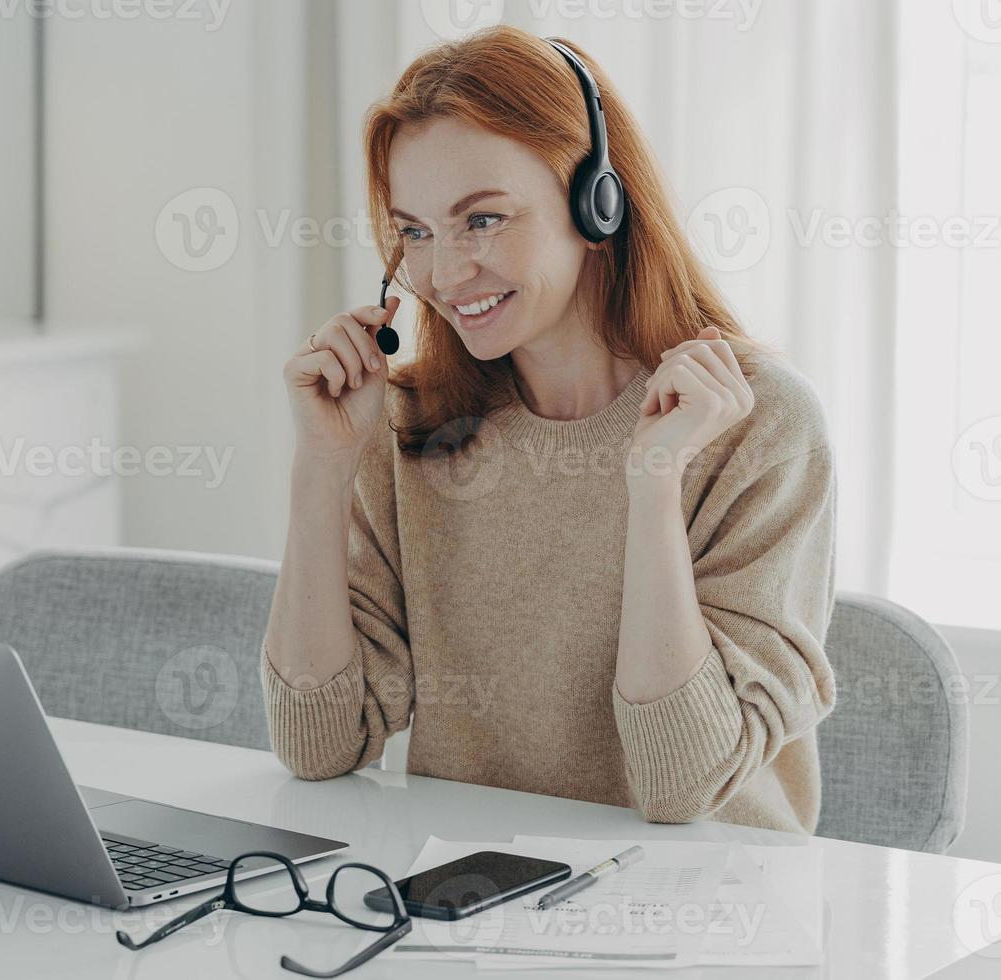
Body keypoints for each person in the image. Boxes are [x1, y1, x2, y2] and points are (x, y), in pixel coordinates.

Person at [261, 26, 837, 835]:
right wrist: (322, 471)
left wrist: (653, 482)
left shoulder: (759, 424)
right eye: (416, 232)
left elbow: (680, 784)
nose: (444, 274)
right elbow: (319, 743)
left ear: (597, 200)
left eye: (483, 220)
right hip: (474, 914)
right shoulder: (417, 425)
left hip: (708, 924)